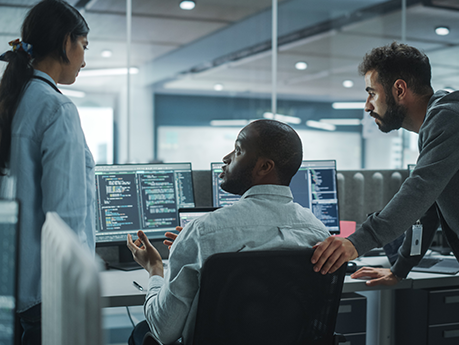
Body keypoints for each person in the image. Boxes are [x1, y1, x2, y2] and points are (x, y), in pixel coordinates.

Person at [126, 119, 331, 345]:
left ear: (265, 167)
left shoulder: (202, 232)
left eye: (239, 150)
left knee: (141, 331)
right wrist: (186, 250)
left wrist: (155, 269)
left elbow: (163, 331)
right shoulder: (319, 233)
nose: (226, 157)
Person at [311, 42, 459, 285]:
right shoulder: (439, 120)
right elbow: (428, 207)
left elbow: (418, 191)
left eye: (372, 93)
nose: (368, 106)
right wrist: (400, 269)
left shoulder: (448, 119)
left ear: (399, 89)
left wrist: (355, 243)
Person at [0, 1, 93, 344]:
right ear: (67, 42)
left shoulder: (13, 97)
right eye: (84, 46)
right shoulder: (57, 108)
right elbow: (65, 219)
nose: (84, 59)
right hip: (47, 290)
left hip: (13, 283)